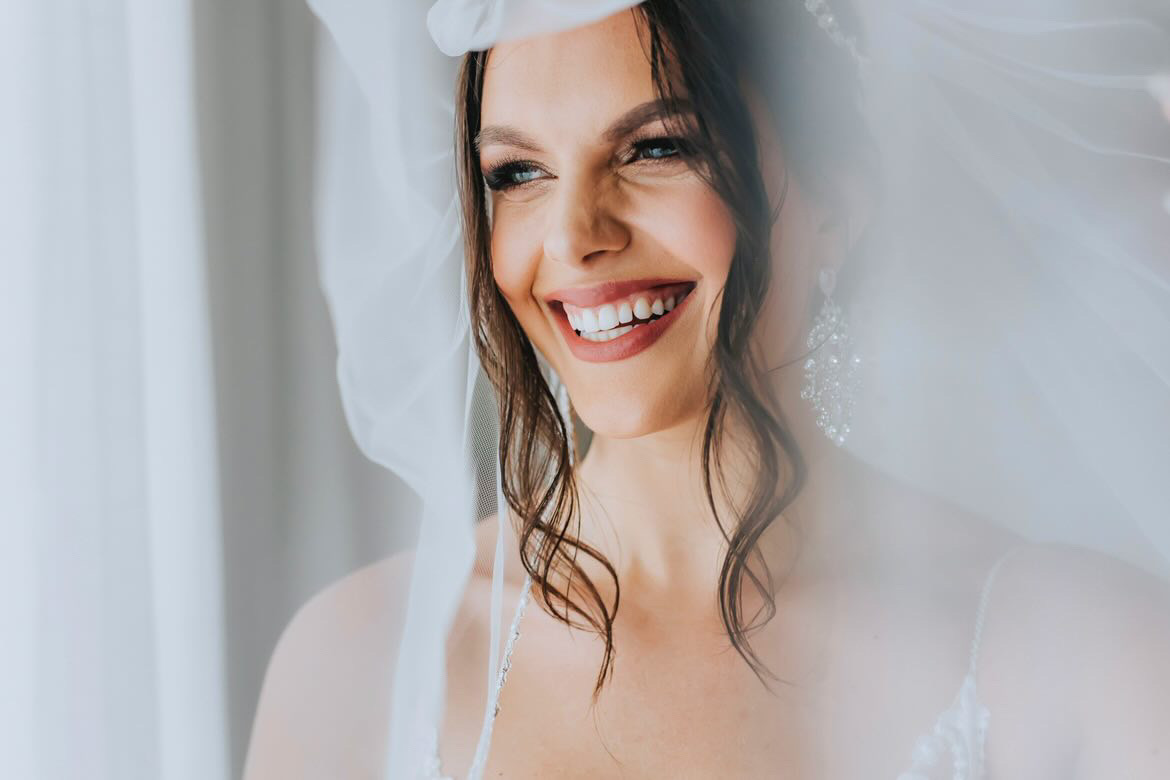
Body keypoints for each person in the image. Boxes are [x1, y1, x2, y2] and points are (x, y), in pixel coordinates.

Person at [245, 2, 1170, 778]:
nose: (572, 237)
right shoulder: (358, 664)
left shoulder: (1088, 661)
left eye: (654, 148)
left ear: (837, 202)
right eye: (517, 172)